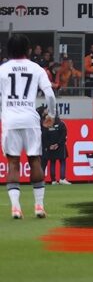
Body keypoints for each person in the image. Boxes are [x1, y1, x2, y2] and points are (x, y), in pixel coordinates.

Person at [2, 33, 57, 219]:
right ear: (29, 50)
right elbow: (49, 94)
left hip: (10, 119)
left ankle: (16, 207)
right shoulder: (37, 69)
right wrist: (51, 114)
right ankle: (39, 206)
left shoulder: (2, 69)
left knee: (13, 164)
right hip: (30, 118)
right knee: (35, 160)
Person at [41, 115, 67, 184]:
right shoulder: (61, 124)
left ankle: (53, 180)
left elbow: (44, 136)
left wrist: (49, 145)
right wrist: (58, 144)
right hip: (60, 146)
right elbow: (63, 135)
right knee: (62, 162)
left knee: (52, 162)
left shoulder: (48, 125)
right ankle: (62, 178)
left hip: (51, 147)